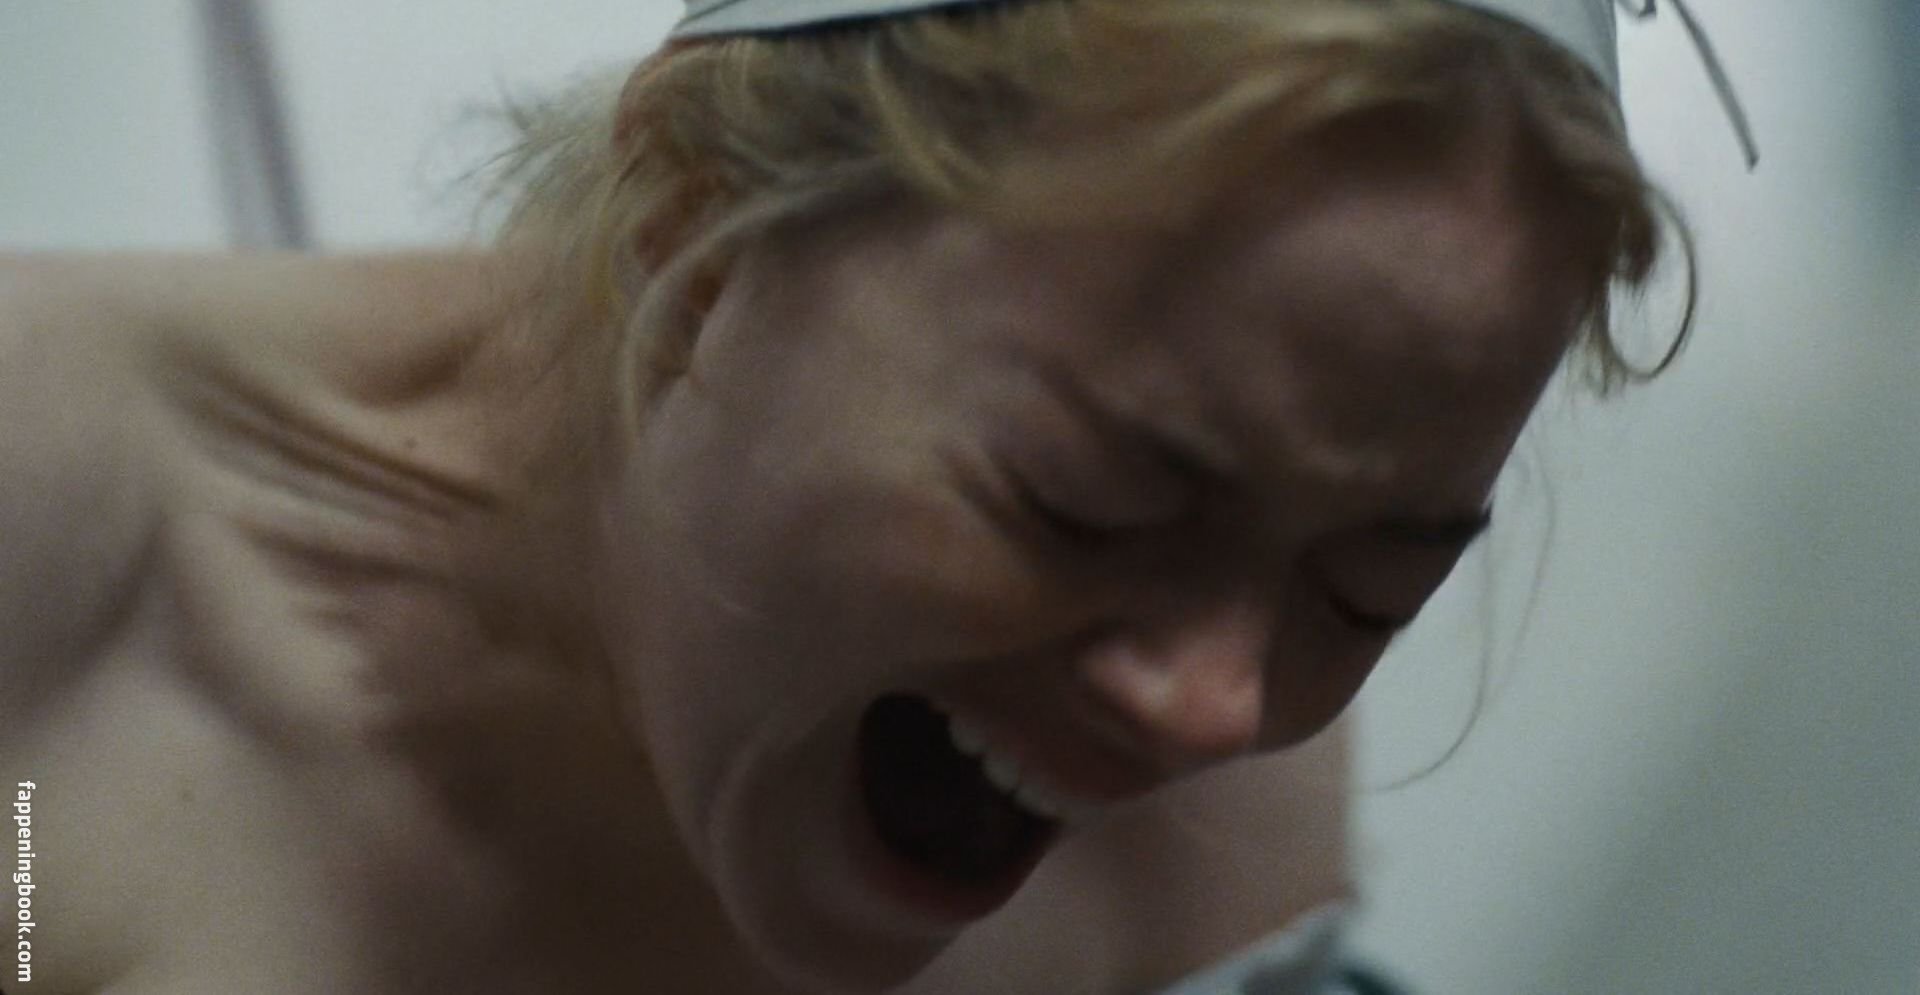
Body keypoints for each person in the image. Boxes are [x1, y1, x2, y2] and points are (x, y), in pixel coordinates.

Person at [0, 0, 1738, 991]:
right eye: (1085, 504)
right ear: (694, 237)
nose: (1219, 708)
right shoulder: (50, 551)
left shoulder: (1192, 849)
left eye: (1366, 596)